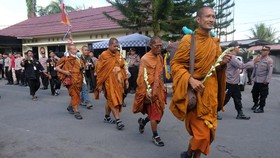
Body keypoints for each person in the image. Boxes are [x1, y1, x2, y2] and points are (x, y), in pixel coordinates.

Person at [170, 6, 232, 158]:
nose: (212, 20)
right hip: (195, 95)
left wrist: (222, 63)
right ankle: (189, 153)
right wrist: (190, 79)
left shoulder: (214, 43)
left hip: (210, 95)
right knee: (202, 135)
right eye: (208, 16)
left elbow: (215, 68)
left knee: (207, 134)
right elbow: (176, 64)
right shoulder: (188, 40)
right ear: (198, 20)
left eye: (213, 16)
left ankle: (190, 153)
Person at [133, 36, 166, 147]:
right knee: (154, 114)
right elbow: (141, 76)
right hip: (150, 90)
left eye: (161, 46)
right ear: (150, 46)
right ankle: (155, 136)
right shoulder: (145, 59)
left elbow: (160, 74)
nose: (159, 48)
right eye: (157, 46)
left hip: (159, 89)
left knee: (159, 112)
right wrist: (146, 90)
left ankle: (143, 122)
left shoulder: (160, 57)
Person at [94, 38, 128, 130]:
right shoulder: (104, 55)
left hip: (118, 82)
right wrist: (100, 83)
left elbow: (123, 67)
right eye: (114, 46)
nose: (116, 48)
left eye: (117, 46)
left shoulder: (118, 54)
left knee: (111, 99)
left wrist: (126, 80)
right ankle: (118, 120)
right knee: (112, 99)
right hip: (108, 81)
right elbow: (99, 69)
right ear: (109, 46)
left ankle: (107, 117)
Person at [219, 41, 252, 120]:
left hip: (234, 82)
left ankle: (240, 113)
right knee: (225, 99)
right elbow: (241, 65)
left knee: (238, 98)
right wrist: (253, 62)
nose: (239, 49)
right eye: (238, 47)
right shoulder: (231, 57)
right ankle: (214, 112)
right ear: (234, 48)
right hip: (229, 82)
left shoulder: (233, 57)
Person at [56, 45, 85, 120]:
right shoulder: (65, 59)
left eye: (76, 48)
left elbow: (81, 68)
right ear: (69, 50)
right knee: (74, 95)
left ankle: (70, 107)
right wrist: (64, 72)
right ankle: (76, 112)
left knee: (76, 94)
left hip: (78, 80)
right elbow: (57, 68)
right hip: (70, 80)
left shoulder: (78, 59)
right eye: (74, 49)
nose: (76, 50)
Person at [251, 46, 273, 113]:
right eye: (262, 50)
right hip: (257, 80)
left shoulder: (269, 60)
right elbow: (254, 69)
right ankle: (255, 104)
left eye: (265, 50)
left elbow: (270, 71)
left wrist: (267, 80)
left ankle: (261, 108)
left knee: (263, 95)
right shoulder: (258, 58)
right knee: (254, 93)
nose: (263, 51)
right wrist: (252, 77)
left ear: (268, 52)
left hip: (263, 81)